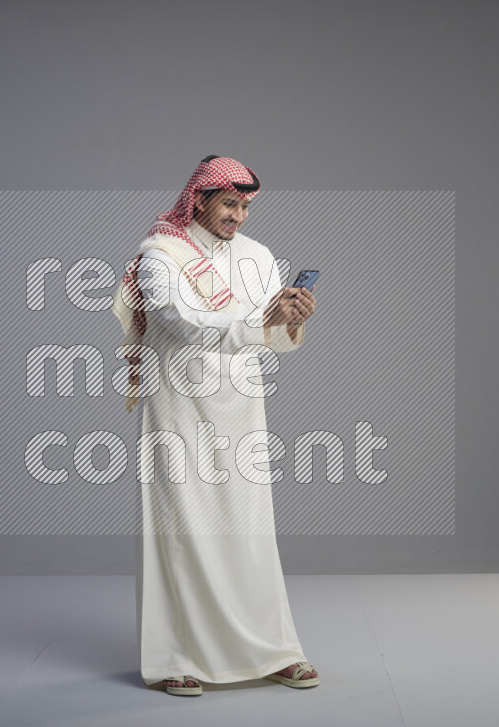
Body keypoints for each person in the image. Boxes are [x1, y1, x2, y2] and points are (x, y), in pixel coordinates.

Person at [112, 155, 318, 696]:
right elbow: (176, 322)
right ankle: (175, 658)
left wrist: (289, 320)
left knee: (249, 530)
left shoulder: (259, 256)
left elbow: (268, 338)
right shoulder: (161, 253)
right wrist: (261, 319)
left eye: (246, 206)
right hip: (178, 404)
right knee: (182, 528)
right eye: (229, 204)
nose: (239, 216)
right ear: (198, 199)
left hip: (242, 405)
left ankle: (272, 649)